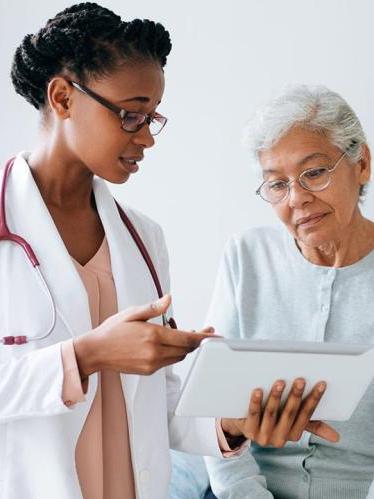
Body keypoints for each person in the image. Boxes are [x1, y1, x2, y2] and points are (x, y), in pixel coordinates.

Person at [0, 6, 338, 498]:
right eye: (130, 115)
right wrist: (87, 355)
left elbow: (162, 398)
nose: (146, 138)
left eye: (152, 117)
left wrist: (234, 422)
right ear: (63, 97)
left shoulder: (144, 237)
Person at [204, 84, 374, 499]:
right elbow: (214, 407)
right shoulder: (246, 256)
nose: (297, 198)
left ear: (362, 165)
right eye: (277, 184)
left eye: (314, 173)